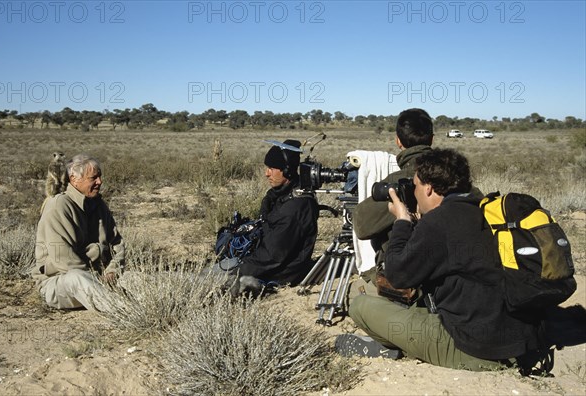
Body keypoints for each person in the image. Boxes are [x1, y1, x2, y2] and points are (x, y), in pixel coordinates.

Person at [338, 148, 545, 371]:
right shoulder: (485, 209)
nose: (413, 192)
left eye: (415, 186)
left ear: (428, 188)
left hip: (475, 348)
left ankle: (400, 348)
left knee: (361, 306)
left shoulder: (440, 222)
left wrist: (402, 221)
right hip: (522, 340)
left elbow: (398, 276)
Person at [350, 108, 434, 296]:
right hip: (450, 281)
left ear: (398, 141)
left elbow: (361, 225)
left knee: (355, 295)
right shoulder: (453, 177)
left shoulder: (398, 181)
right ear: (432, 139)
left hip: (405, 282)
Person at [217, 139, 319, 285]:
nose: (266, 173)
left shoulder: (295, 207)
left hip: (279, 275)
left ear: (287, 170)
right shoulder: (281, 195)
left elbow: (272, 256)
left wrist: (237, 269)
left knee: (211, 279)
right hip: (261, 263)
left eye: (272, 168)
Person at [32, 154, 125, 311]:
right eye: (93, 178)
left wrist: (113, 271)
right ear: (74, 179)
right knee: (77, 278)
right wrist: (96, 278)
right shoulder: (58, 206)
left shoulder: (99, 205)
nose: (99, 182)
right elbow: (65, 261)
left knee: (134, 278)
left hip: (99, 276)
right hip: (60, 281)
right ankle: (124, 310)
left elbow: (117, 245)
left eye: (100, 177)